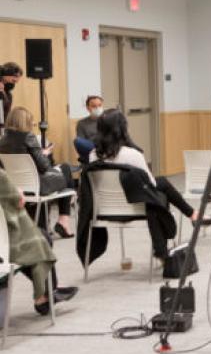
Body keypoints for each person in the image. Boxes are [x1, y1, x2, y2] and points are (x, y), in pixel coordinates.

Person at [89, 109, 199, 246]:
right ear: (123, 129)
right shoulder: (133, 154)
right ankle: (166, 245)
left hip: (105, 210)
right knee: (160, 191)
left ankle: (192, 214)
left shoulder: (93, 155)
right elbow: (150, 184)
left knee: (161, 183)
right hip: (136, 208)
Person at [0, 169, 78, 315]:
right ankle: (46, 293)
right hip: (4, 246)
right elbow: (18, 200)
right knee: (39, 239)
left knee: (39, 237)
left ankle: (47, 292)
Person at [0, 107, 75, 237]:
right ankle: (64, 221)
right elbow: (44, 167)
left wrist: (39, 153)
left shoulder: (2, 140)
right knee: (67, 169)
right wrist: (44, 153)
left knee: (63, 169)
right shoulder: (28, 136)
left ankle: (52, 221)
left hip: (18, 187)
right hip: (39, 186)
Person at [74, 95, 104, 162]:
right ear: (88, 108)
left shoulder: (108, 120)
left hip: (107, 146)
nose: (97, 108)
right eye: (94, 106)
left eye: (100, 105)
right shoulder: (82, 123)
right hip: (92, 148)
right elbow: (81, 142)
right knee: (77, 141)